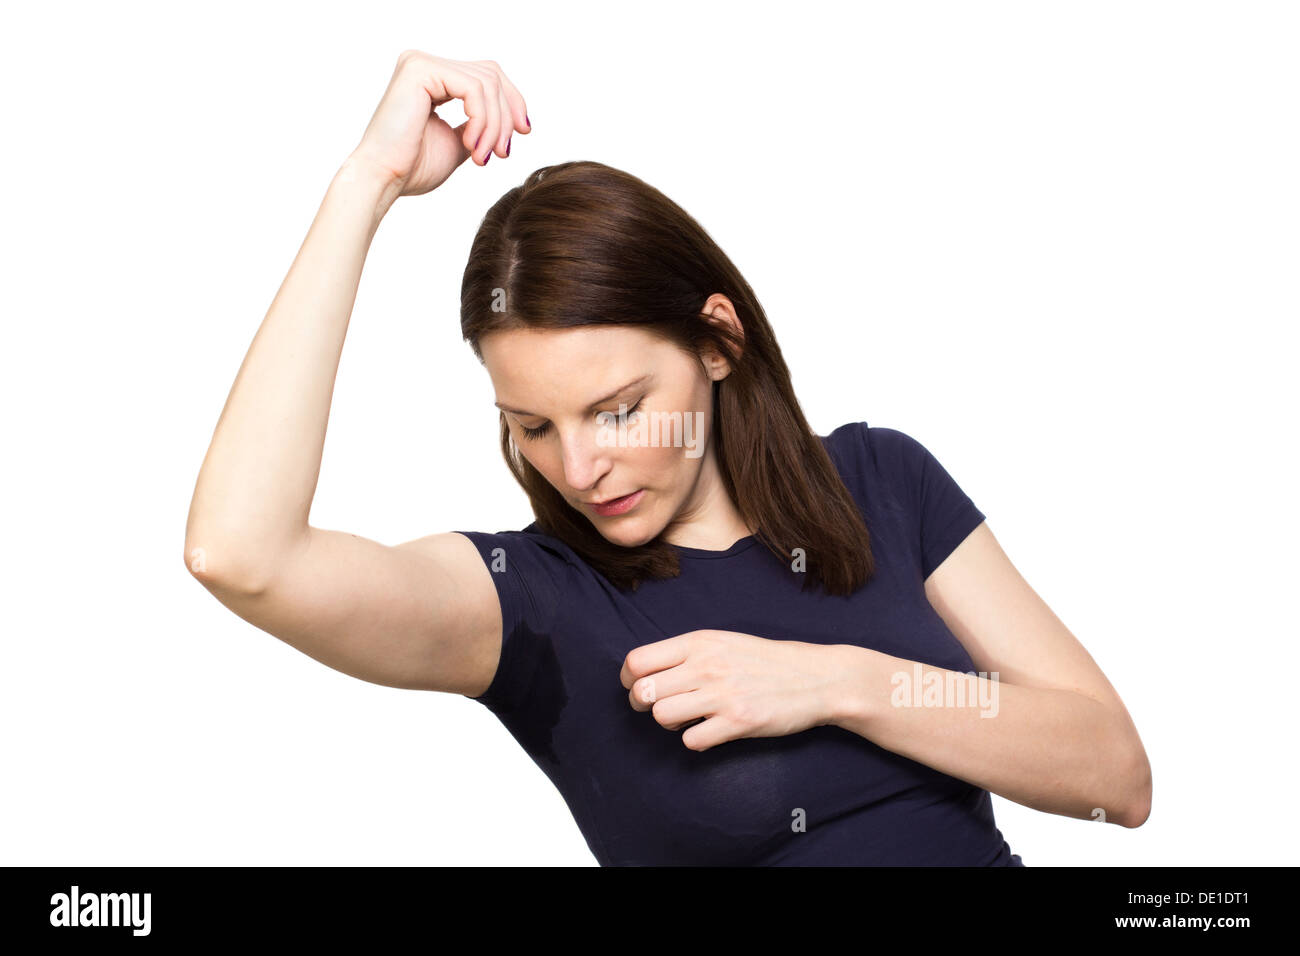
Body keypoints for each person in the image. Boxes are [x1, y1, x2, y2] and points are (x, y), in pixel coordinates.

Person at [184, 50, 1152, 866]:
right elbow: (241, 552)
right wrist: (367, 183)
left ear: (717, 343)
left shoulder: (878, 480)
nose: (579, 466)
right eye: (532, 426)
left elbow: (1114, 770)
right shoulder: (534, 603)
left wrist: (836, 682)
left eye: (617, 411)